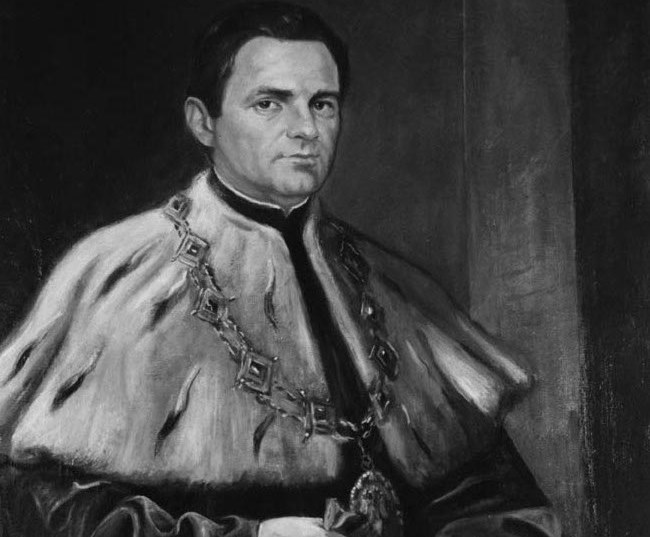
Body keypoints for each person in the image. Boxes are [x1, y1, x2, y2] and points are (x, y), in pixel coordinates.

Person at [0, 2, 561, 536]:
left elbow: (498, 503)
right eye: (270, 103)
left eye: (323, 104)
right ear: (203, 122)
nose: (306, 129)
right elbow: (38, 513)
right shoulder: (113, 276)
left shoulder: (391, 282)